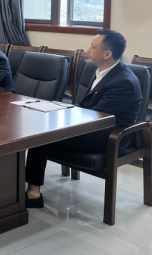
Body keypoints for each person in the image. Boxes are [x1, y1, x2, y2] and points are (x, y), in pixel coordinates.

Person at [24, 30, 142, 208]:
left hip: (108, 135)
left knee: (41, 137)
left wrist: (62, 118)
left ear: (107, 54)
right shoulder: (103, 71)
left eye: (93, 47)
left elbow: (99, 118)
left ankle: (33, 194)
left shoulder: (123, 82)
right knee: (41, 127)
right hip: (92, 125)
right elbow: (87, 107)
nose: (88, 50)